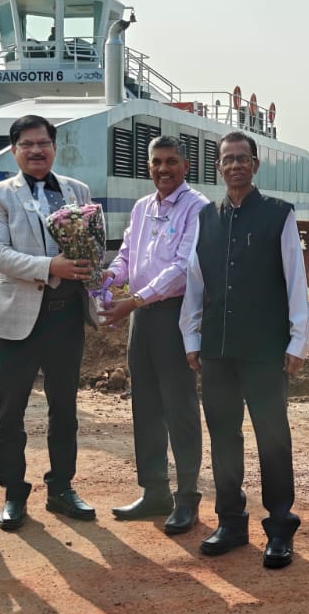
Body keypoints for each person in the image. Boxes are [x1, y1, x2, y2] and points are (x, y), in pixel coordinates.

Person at [179, 131, 309, 570]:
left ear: (255, 165)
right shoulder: (205, 218)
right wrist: (191, 338)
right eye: (227, 159)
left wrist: (298, 340)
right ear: (218, 167)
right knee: (224, 437)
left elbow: (295, 280)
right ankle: (231, 521)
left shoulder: (278, 215)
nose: (235, 165)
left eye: (242, 158)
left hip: (265, 349)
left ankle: (280, 526)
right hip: (216, 348)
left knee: (273, 437)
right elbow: (195, 282)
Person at [0, 115, 100, 531]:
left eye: (43, 143)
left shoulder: (77, 191)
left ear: (54, 147)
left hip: (66, 317)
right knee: (10, 412)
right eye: (27, 144)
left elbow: (91, 245)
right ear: (14, 150)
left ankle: (61, 488)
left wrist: (95, 275)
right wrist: (51, 266)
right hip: (16, 320)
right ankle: (14, 493)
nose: (36, 151)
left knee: (64, 409)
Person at [100, 136, 209, 535]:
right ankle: (154, 490)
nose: (164, 169)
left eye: (171, 162)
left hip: (174, 316)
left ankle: (187, 497)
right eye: (157, 162)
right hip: (142, 318)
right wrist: (109, 276)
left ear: (186, 166)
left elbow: (183, 267)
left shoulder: (198, 208)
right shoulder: (142, 207)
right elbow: (128, 254)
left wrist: (134, 300)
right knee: (145, 405)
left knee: (180, 407)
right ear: (148, 167)